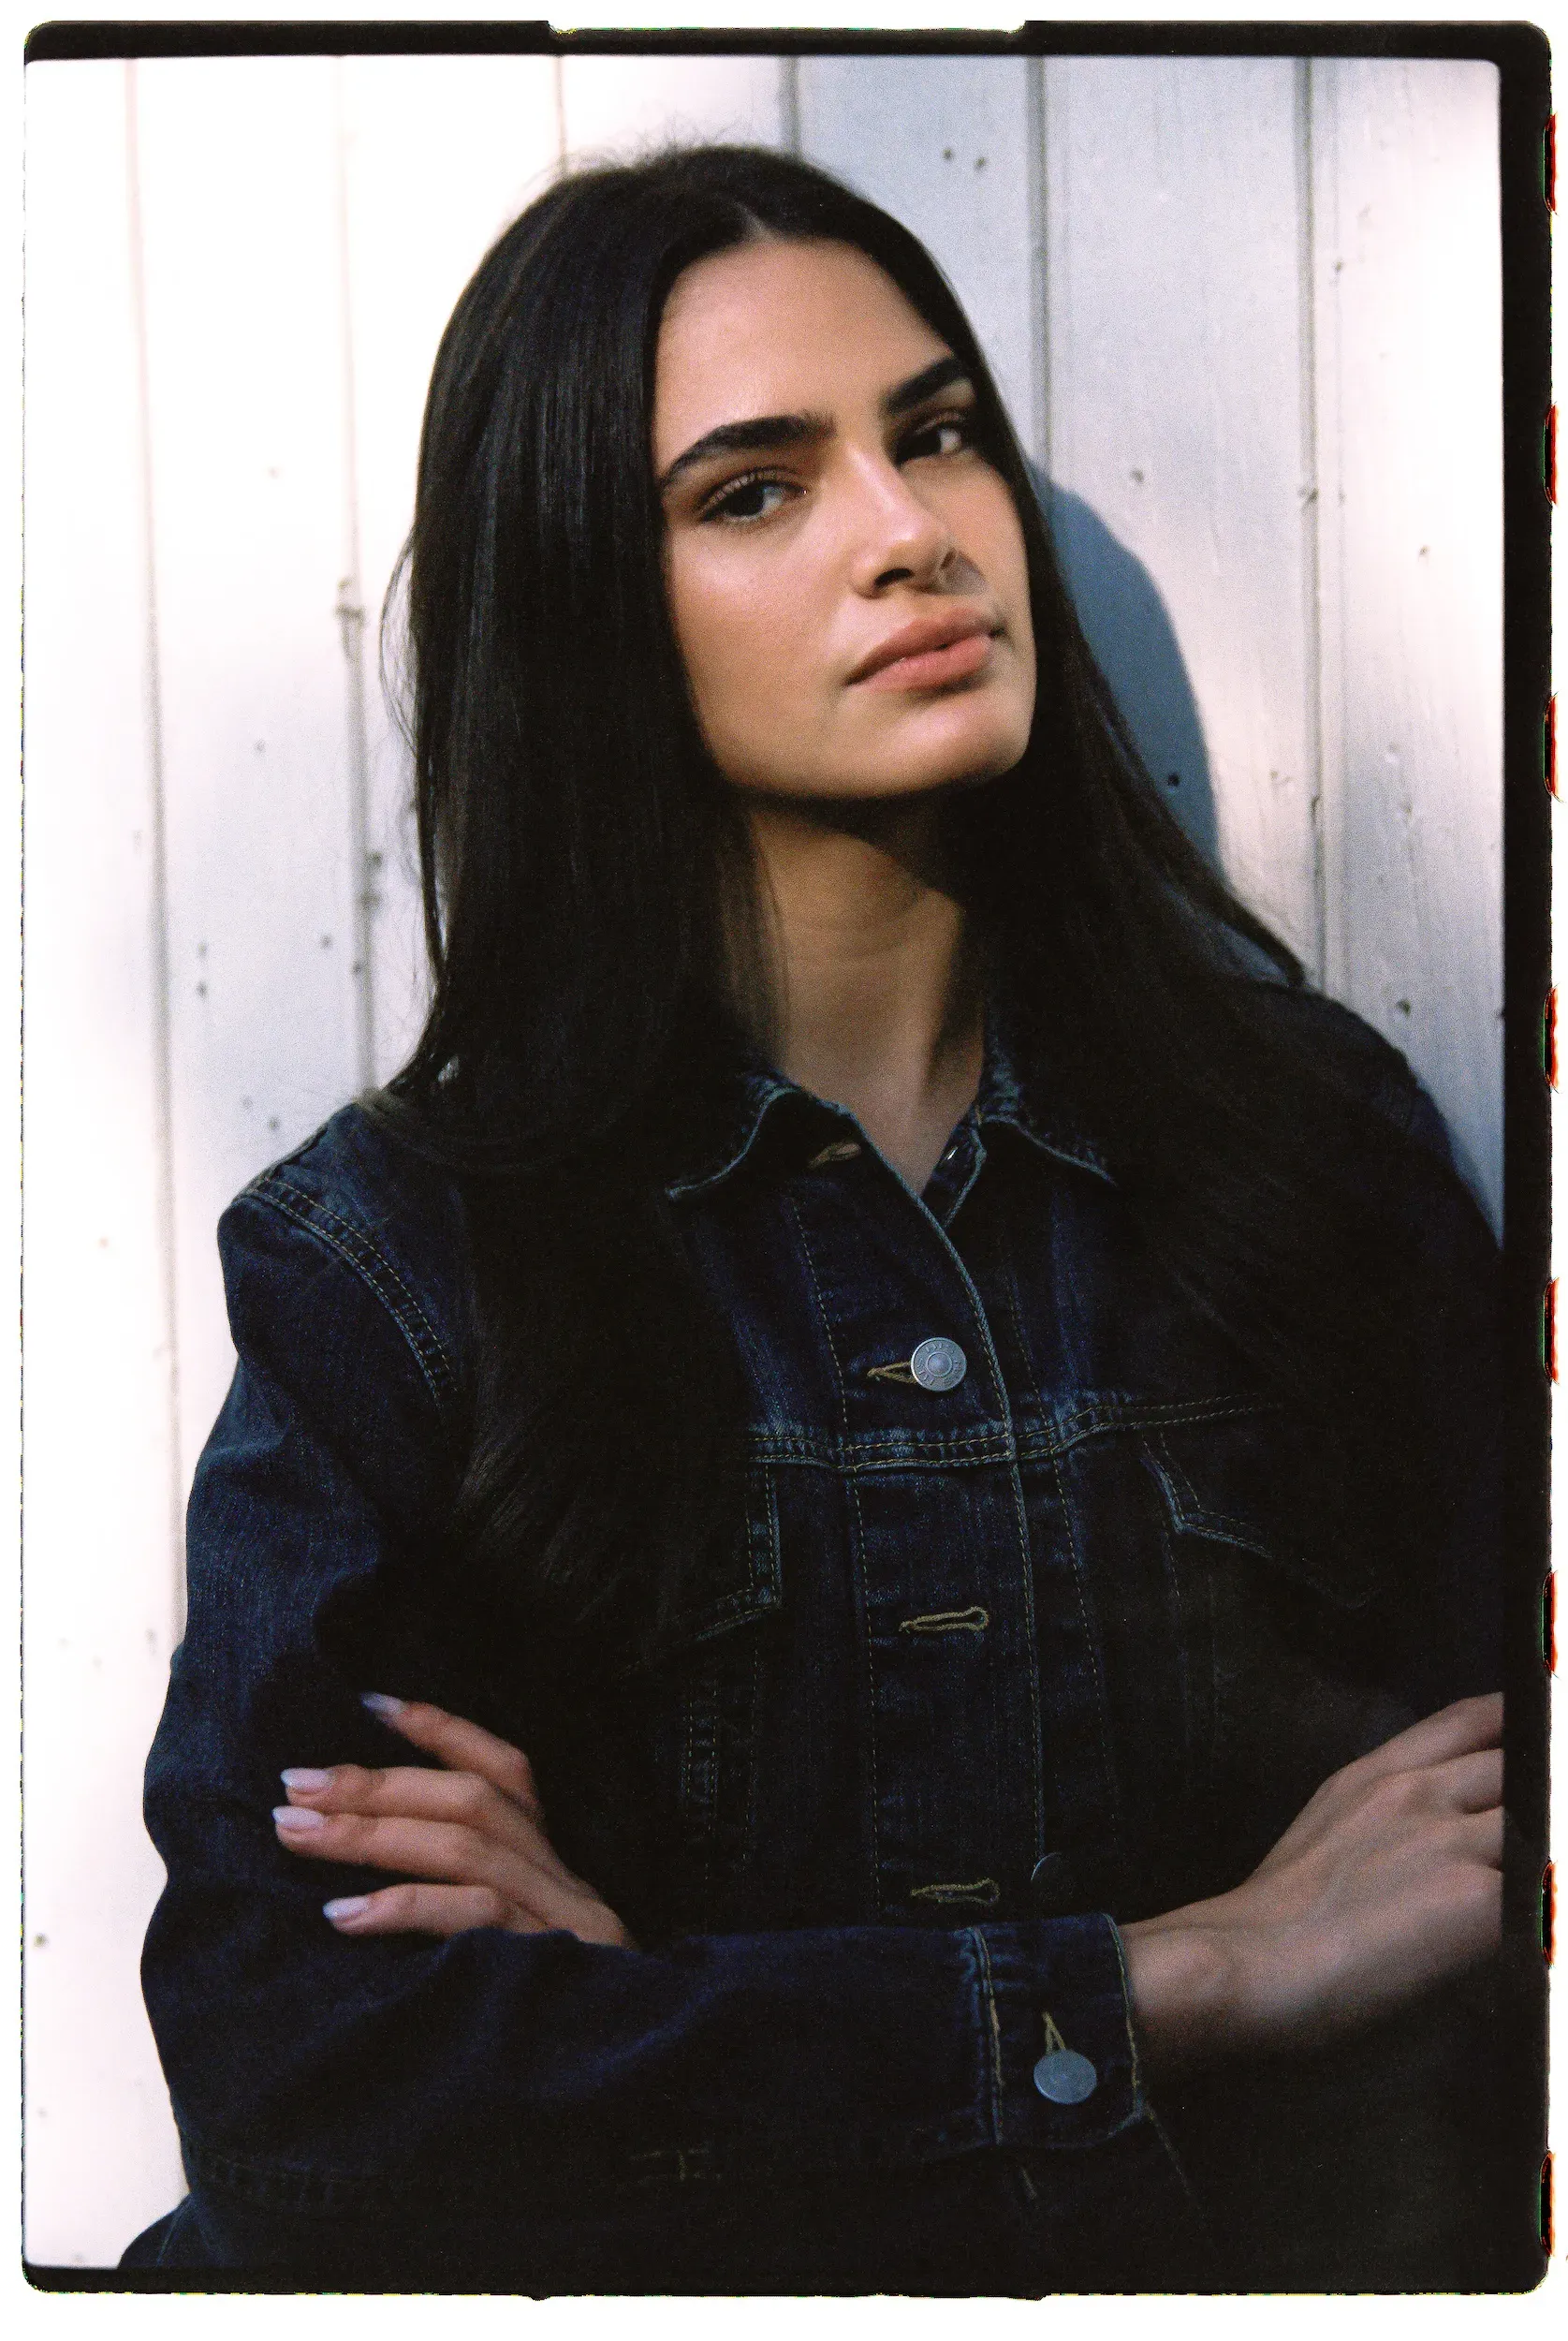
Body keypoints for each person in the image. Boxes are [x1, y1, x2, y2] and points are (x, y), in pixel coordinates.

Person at [123, 145, 1528, 2291]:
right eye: (755, 489)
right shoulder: (400, 1264)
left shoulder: (1304, 1163)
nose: (917, 532)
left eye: (937, 430)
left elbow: (1475, 1971)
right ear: (583, 588)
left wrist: (654, 2004)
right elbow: (315, 2098)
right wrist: (1192, 1976)